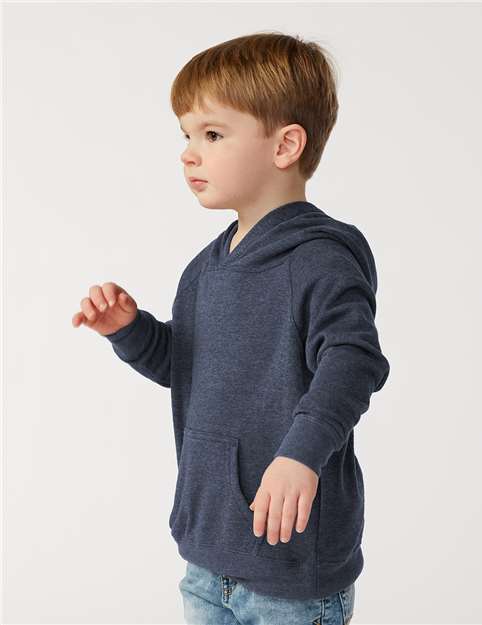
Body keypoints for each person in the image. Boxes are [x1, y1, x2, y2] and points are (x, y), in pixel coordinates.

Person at [72, 31, 390, 625]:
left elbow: (353, 361)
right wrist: (130, 331)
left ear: (285, 145)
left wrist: (300, 454)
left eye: (212, 135)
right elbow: (189, 367)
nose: (189, 154)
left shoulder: (319, 259)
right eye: (186, 136)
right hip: (207, 557)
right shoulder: (204, 271)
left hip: (290, 574)